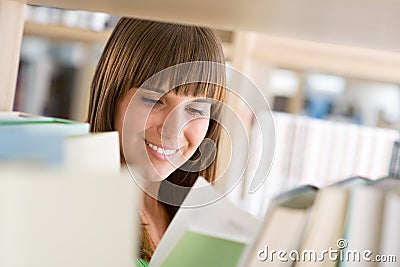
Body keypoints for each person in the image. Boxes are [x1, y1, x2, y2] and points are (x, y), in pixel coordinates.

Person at [86, 17, 226, 265]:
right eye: (154, 101)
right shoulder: (81, 211)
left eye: (195, 110)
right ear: (112, 96)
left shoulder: (196, 220)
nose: (172, 131)